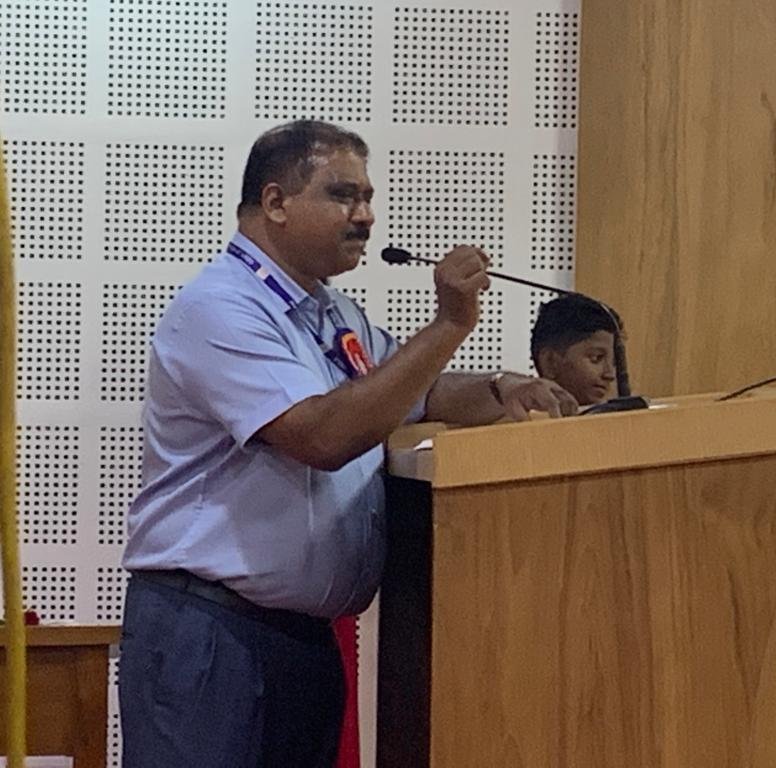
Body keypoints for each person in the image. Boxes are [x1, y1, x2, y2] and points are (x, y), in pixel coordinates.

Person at [118, 119, 578, 768]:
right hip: (212, 634)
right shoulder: (221, 307)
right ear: (276, 202)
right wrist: (449, 324)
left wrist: (505, 391)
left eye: (367, 197)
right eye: (342, 195)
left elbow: (417, 392)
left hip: (299, 640)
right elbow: (323, 434)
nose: (365, 216)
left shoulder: (332, 313)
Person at [530, 293, 622, 406]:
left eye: (614, 363)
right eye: (596, 358)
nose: (610, 375)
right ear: (550, 362)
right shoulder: (518, 416)